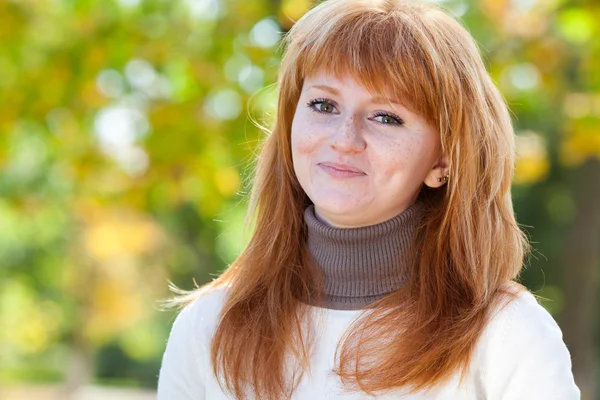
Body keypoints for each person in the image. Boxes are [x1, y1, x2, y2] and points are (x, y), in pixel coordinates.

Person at [157, 0, 580, 398]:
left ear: (445, 158)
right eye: (323, 104)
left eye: (386, 117)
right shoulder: (208, 328)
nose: (344, 139)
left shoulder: (507, 336)